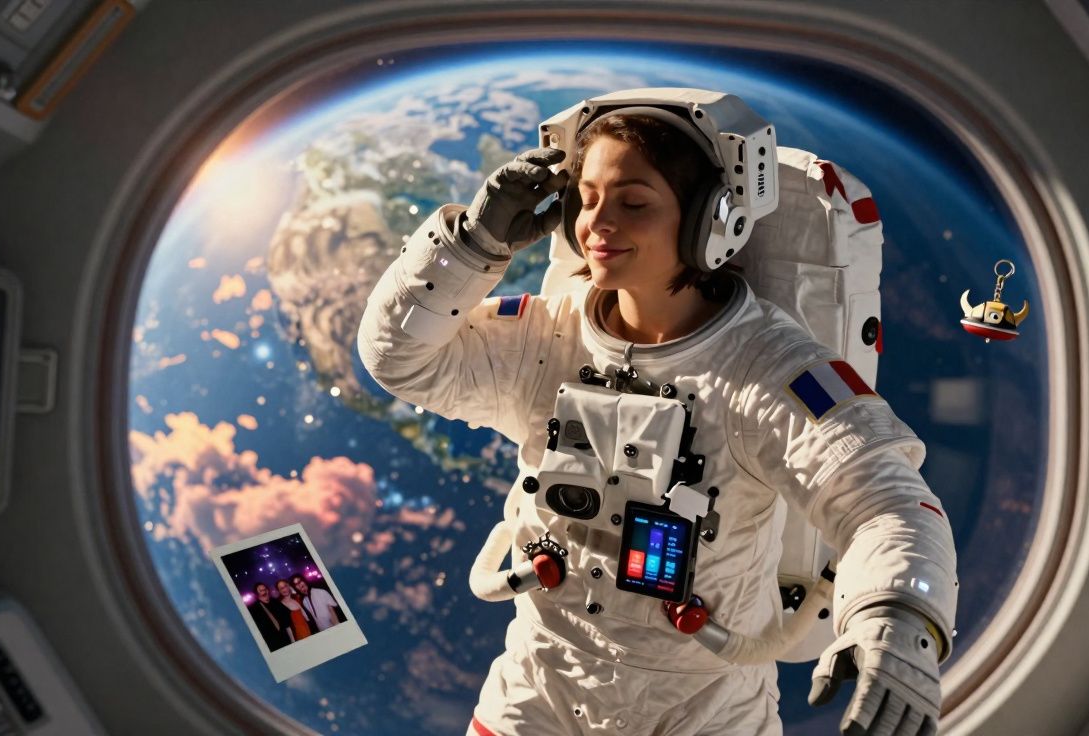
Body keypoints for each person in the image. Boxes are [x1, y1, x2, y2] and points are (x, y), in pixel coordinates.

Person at [358, 89, 957, 735]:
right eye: (585, 200)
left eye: (633, 202)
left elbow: (887, 502)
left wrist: (898, 618)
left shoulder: (767, 370)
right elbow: (400, 359)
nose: (597, 225)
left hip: (702, 712)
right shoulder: (543, 338)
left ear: (709, 219)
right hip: (536, 695)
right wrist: (471, 243)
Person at [247, 581, 293, 652]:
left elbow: (288, 617)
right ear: (256, 593)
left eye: (265, 589)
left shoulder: (276, 602)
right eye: (261, 590)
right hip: (272, 645)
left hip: (286, 639)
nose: (264, 592)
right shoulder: (253, 609)